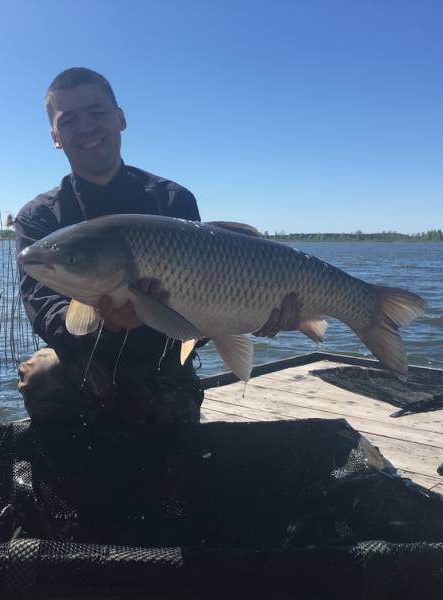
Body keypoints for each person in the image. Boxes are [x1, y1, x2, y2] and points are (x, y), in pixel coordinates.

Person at [15, 67, 298, 426]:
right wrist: (105, 320)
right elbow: (44, 312)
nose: (86, 127)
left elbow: (204, 305)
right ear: (55, 135)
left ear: (120, 119)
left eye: (97, 113)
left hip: (161, 364)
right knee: (43, 372)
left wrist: (253, 314)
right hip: (84, 364)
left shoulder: (172, 200)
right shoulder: (37, 219)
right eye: (68, 120)